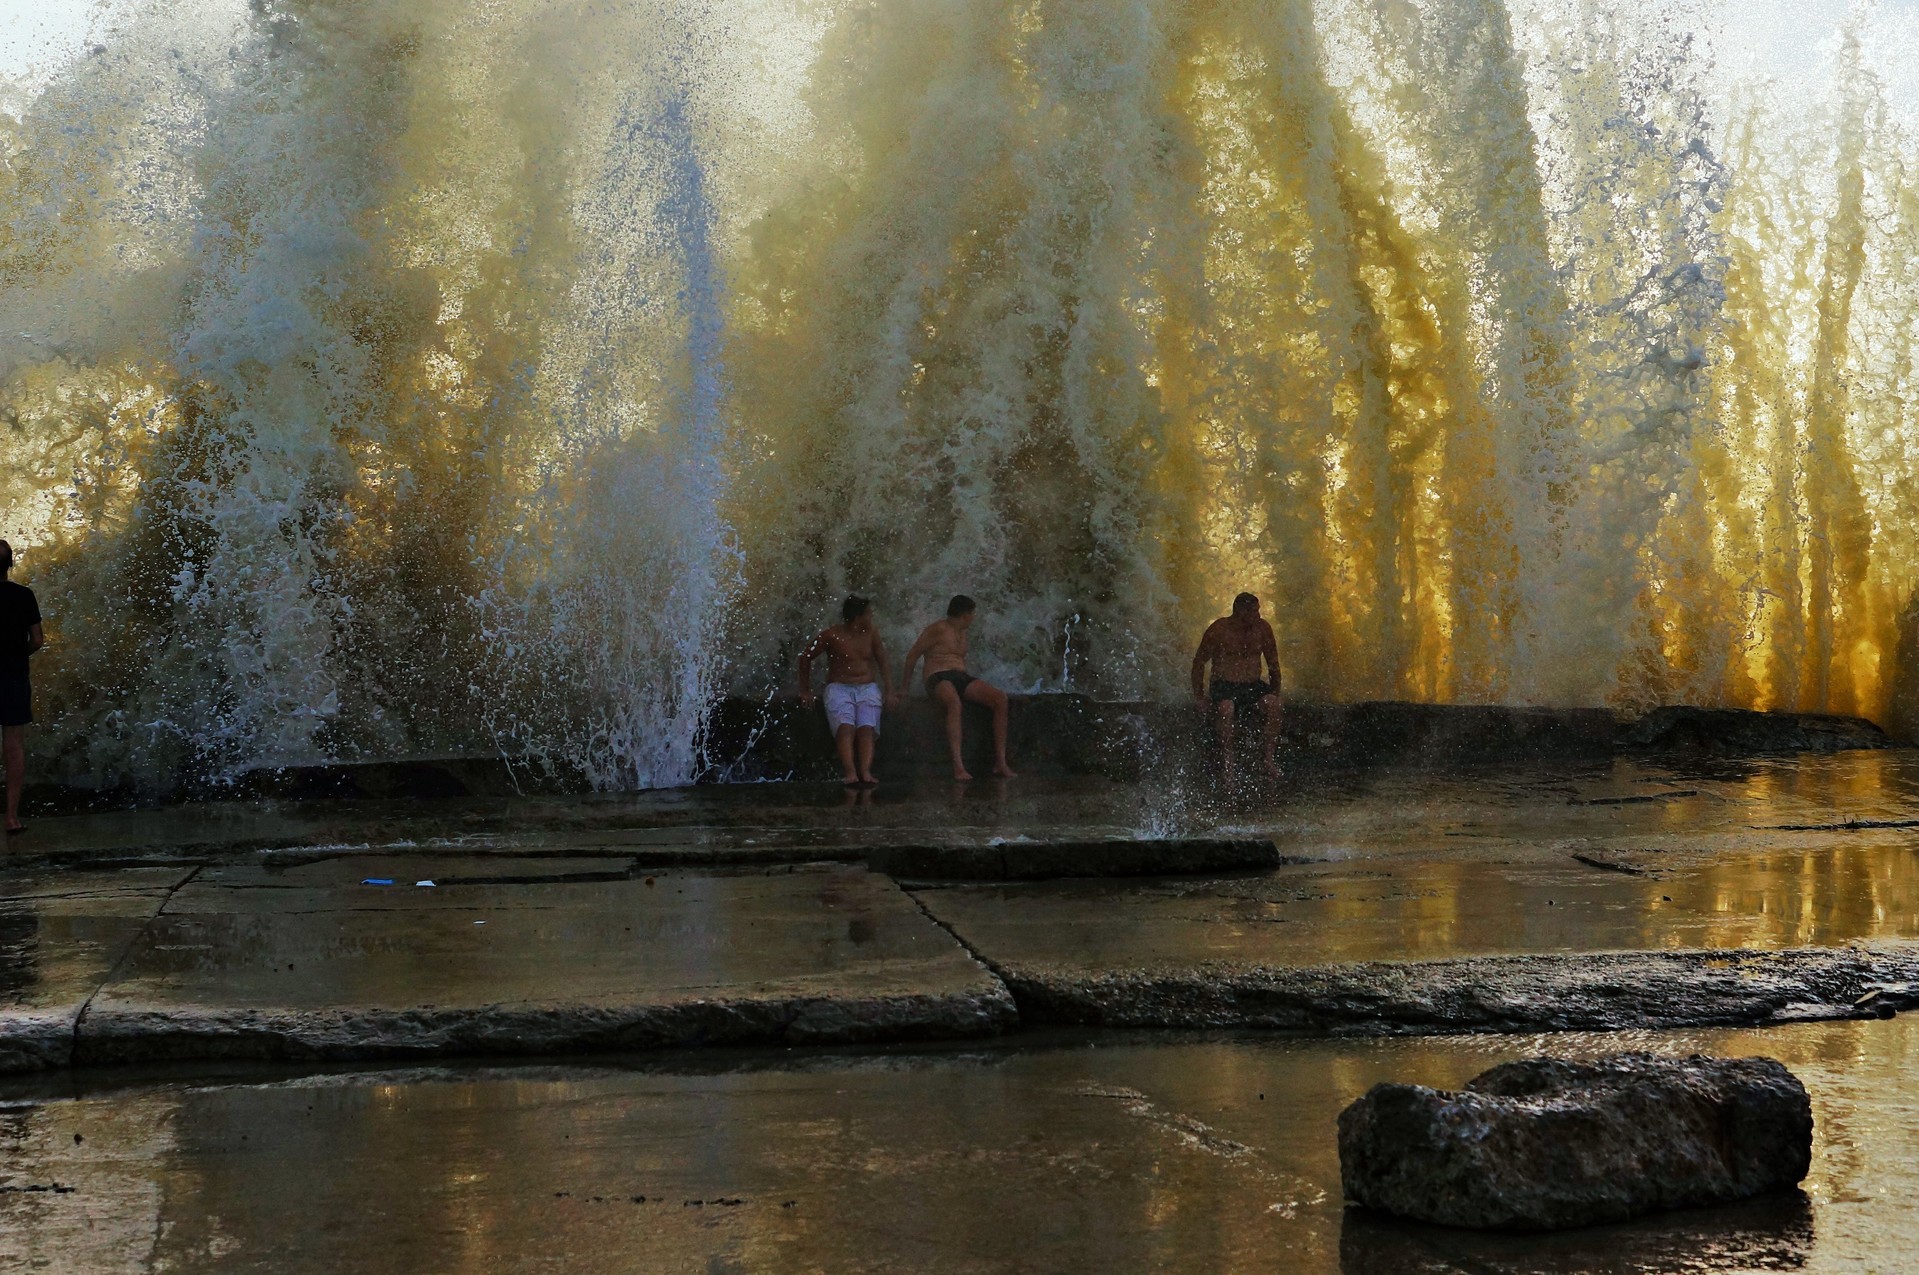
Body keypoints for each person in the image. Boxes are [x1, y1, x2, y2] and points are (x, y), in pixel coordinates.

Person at [902, 595, 1016, 781]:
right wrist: (905, 689)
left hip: (960, 677)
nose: (974, 617)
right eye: (972, 614)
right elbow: (912, 655)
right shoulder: (938, 629)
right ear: (964, 614)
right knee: (954, 703)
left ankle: (1000, 763)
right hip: (937, 677)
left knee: (1000, 699)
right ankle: (958, 767)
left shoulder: (963, 631)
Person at [797, 596, 896, 786]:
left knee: (867, 728)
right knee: (845, 727)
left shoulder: (871, 633)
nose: (872, 616)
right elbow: (805, 657)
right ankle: (850, 773)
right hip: (839, 687)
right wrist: (805, 690)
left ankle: (865, 772)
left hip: (867, 687)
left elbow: (882, 660)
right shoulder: (831, 635)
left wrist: (890, 691)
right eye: (868, 613)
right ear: (858, 616)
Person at [1192, 592, 1282, 779]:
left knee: (1274, 705)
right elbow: (1199, 662)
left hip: (1252, 685)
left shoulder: (1263, 628)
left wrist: (1275, 692)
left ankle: (1268, 760)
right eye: (1253, 612)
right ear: (1240, 612)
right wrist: (1199, 697)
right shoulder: (1219, 629)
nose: (1258, 615)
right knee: (1226, 709)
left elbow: (1273, 662)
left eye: (1258, 611)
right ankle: (1228, 763)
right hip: (1224, 685)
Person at [1, 541, 45, 835]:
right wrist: (19, 655)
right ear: (10, 565)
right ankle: (12, 818)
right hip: (13, 676)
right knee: (14, 746)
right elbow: (38, 639)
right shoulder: (23, 595)